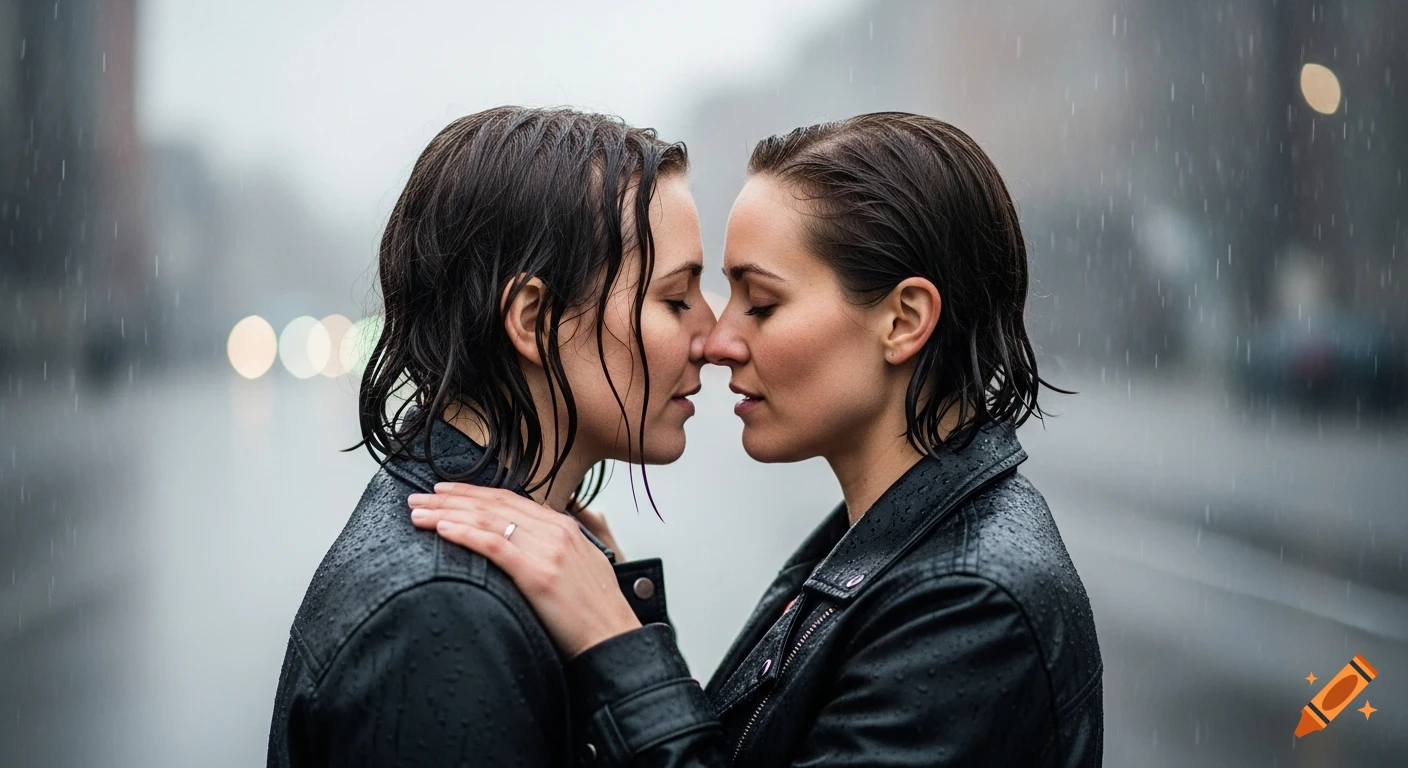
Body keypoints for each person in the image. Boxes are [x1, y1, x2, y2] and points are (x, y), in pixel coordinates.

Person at [411, 112, 1105, 765]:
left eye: (762, 303)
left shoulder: (973, 608)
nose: (718, 340)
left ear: (903, 320)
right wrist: (626, 616)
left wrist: (615, 643)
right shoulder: (898, 537)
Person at [267, 105, 716, 766]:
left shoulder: (491, 576)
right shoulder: (440, 619)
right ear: (533, 319)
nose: (717, 337)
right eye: (676, 300)